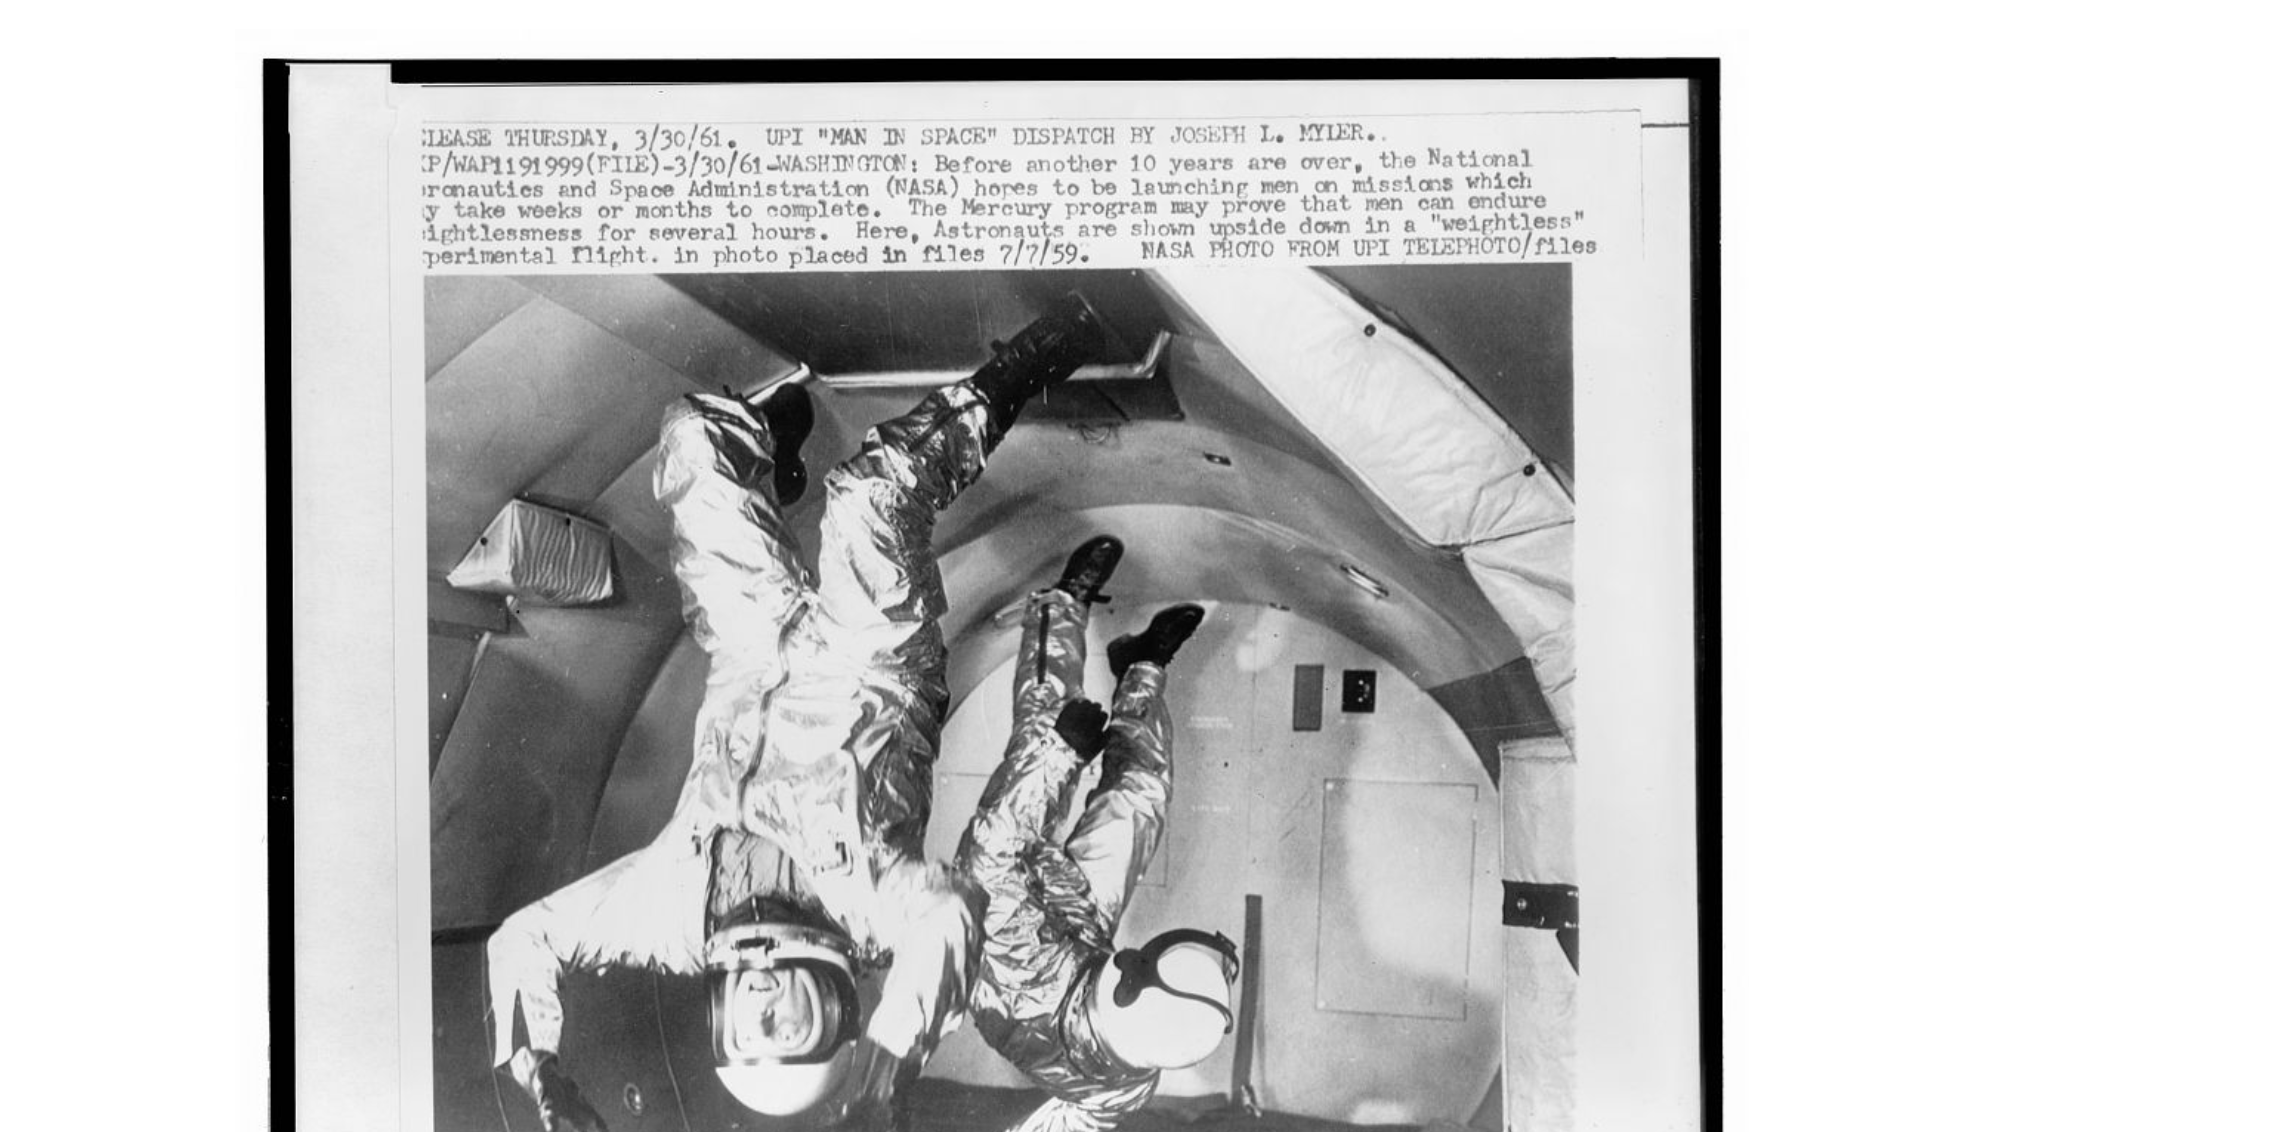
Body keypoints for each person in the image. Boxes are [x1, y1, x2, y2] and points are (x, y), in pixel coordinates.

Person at [485, 294, 1110, 1132]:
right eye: (793, 1026)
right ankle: (1036, 360)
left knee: (690, 439)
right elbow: (954, 922)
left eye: (749, 1030)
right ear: (838, 1009)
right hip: (872, 668)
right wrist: (888, 1066)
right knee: (870, 494)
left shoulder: (668, 916)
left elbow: (525, 937)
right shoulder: (875, 911)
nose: (764, 1000)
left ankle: (767, 461)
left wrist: (542, 1076)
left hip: (751, 657)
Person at [956, 536, 1236, 1132]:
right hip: (1082, 945)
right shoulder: (1134, 1075)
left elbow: (991, 852)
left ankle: (1063, 605)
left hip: (1019, 942)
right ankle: (1140, 667)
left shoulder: (1013, 965)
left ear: (1129, 982)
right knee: (1141, 800)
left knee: (1046, 729)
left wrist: (1063, 755)